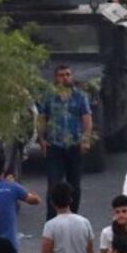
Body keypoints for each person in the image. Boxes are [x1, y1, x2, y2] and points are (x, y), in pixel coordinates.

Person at [38, 65, 93, 219]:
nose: (65, 77)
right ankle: (51, 219)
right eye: (61, 75)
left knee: (74, 185)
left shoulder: (80, 96)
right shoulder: (48, 96)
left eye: (68, 74)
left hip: (74, 146)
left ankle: (73, 217)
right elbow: (42, 118)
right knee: (53, 185)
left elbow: (87, 118)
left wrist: (86, 139)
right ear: (56, 78)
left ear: (72, 77)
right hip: (54, 146)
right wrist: (41, 139)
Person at [41, 182, 95, 253]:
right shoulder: (85, 222)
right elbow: (90, 252)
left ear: (52, 202)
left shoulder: (50, 226)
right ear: (71, 199)